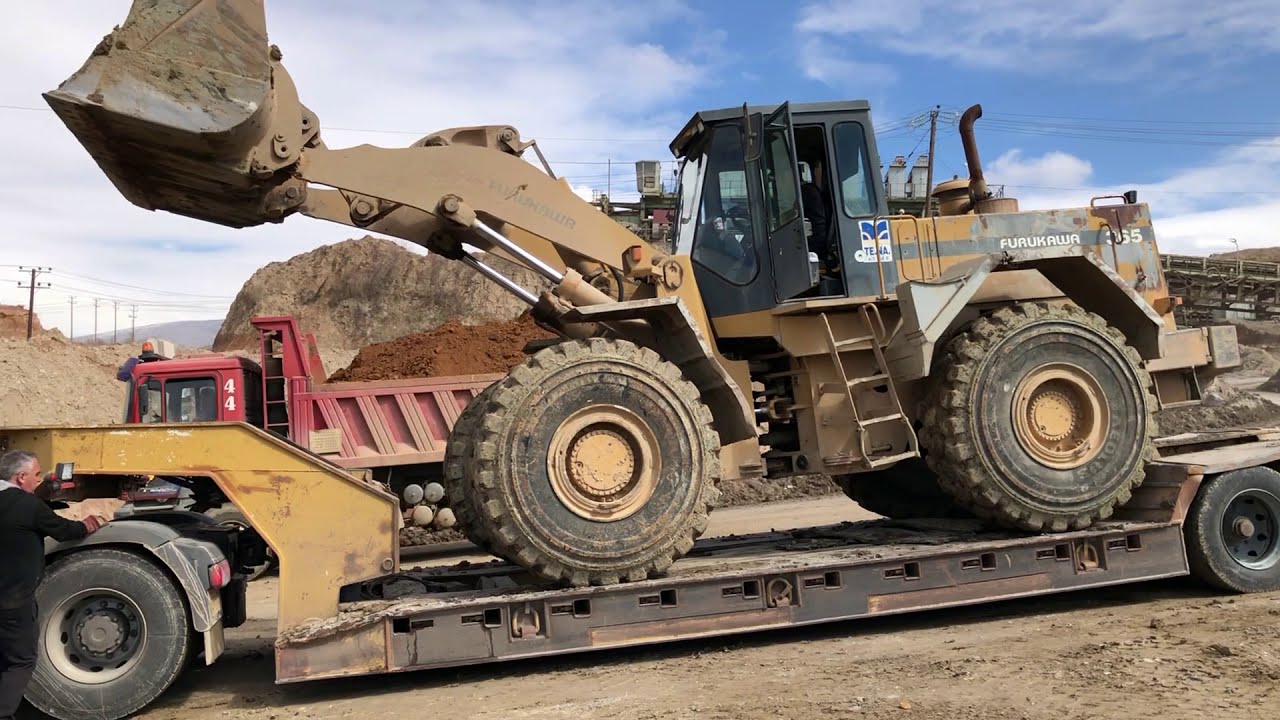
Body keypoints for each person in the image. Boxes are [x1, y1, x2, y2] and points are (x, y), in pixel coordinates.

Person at [0, 450, 107, 720]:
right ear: (21, 477)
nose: (39, 480)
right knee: (21, 660)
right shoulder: (27, 505)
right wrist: (87, 524)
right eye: (36, 475)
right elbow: (65, 530)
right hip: (13, 600)